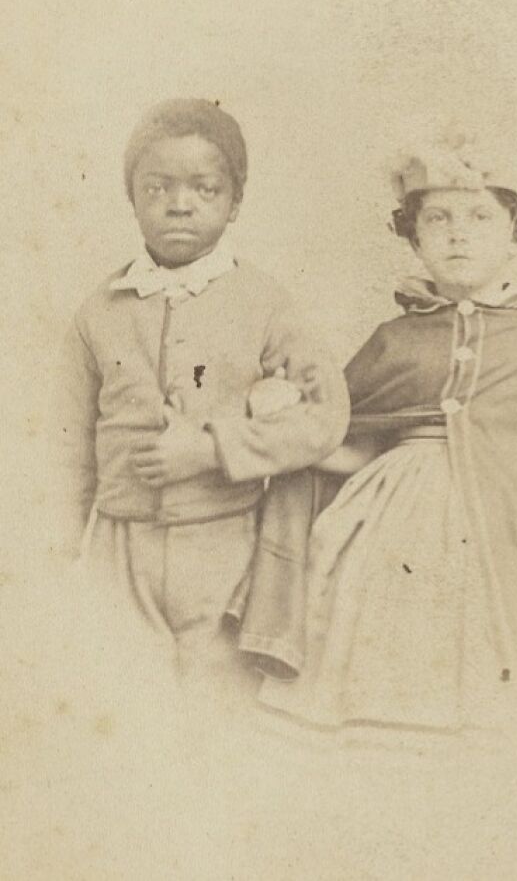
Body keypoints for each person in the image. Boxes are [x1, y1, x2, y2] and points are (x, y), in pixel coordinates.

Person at [245, 129, 517, 746]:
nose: (457, 233)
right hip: (383, 532)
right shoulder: (396, 339)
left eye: (479, 217)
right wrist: (287, 422)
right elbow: (353, 437)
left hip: (507, 544)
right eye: (437, 218)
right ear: (415, 237)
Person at [54, 98, 350, 678]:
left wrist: (214, 448)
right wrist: (59, 553)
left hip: (223, 547)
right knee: (118, 702)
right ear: (132, 198)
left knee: (213, 714)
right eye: (157, 188)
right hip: (118, 548)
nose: (180, 205)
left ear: (235, 202)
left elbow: (326, 414)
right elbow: (64, 447)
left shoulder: (265, 302)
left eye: (204, 189)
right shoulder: (97, 312)